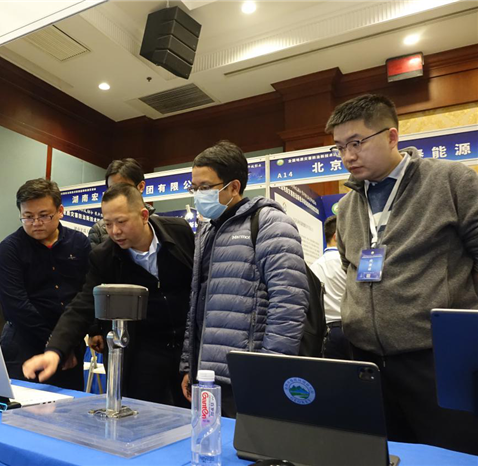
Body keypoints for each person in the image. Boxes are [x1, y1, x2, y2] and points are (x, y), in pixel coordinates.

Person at [327, 93, 478, 454]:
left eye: (356, 143)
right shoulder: (347, 206)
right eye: (340, 147)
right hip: (366, 361)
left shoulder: (450, 181)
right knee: (383, 454)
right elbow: (349, 267)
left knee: (449, 455)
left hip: (434, 359)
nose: (348, 156)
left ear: (392, 136)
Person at [23, 183, 194, 407]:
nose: (115, 231)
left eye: (121, 222)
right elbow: (83, 304)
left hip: (187, 348)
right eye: (108, 224)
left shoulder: (179, 232)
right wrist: (55, 351)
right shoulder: (104, 256)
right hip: (143, 351)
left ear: (144, 216)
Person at [180, 140, 309, 418]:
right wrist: (190, 365)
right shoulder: (206, 231)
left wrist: (269, 371)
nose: (198, 195)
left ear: (234, 187)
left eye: (205, 187)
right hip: (208, 377)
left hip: (249, 376)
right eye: (194, 187)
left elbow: (289, 303)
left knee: (250, 444)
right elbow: (197, 304)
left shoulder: (269, 223)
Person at [0, 178, 90, 390]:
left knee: (70, 405)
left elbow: (86, 294)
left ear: (60, 211)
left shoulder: (79, 243)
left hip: (70, 345)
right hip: (24, 344)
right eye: (28, 217)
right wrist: (56, 345)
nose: (36, 223)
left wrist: (68, 343)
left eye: (44, 215)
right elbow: (16, 306)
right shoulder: (11, 248)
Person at [310, 215, 352, 359]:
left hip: (326, 334)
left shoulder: (314, 267)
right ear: (336, 236)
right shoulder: (349, 264)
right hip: (349, 330)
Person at [87, 158, 154, 248]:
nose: (115, 231)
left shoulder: (160, 226)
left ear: (141, 186)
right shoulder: (98, 231)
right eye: (112, 188)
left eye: (123, 188)